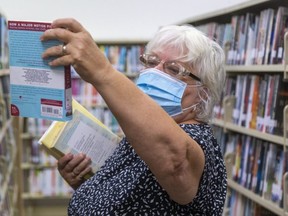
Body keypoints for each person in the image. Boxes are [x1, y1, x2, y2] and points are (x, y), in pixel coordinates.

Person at [41, 18, 227, 215]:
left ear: (203, 94)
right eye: (152, 62)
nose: (154, 73)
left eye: (173, 69)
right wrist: (89, 184)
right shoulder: (141, 133)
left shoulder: (197, 141)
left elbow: (176, 164)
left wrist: (102, 71)